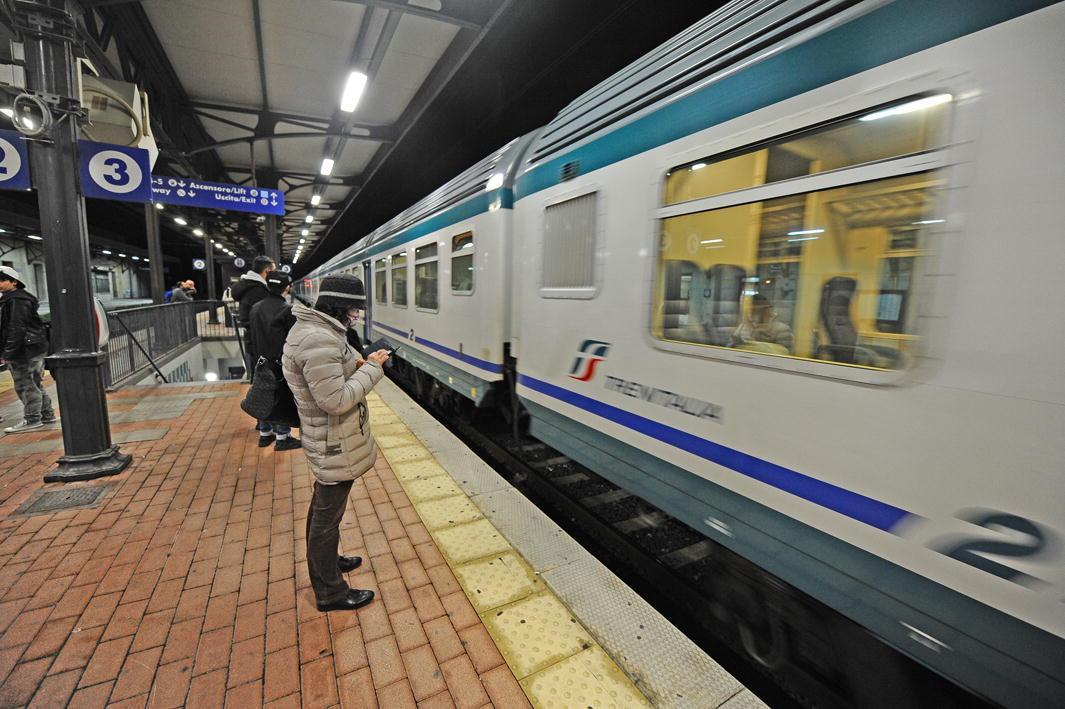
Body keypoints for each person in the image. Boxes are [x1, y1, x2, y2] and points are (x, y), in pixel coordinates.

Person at [282, 273, 391, 612]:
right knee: (326, 518)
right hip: (332, 440)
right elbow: (335, 400)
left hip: (329, 436)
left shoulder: (320, 331)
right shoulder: (319, 339)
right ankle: (330, 592)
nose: (356, 316)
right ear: (340, 306)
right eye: (354, 310)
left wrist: (355, 364)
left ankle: (329, 563)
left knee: (324, 511)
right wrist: (372, 369)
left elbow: (329, 376)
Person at [248, 271, 300, 451]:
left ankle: (264, 434)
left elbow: (250, 337)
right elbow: (293, 340)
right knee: (282, 398)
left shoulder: (255, 308)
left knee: (264, 397)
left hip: (260, 361)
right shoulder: (287, 310)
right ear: (286, 288)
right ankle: (282, 438)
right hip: (280, 362)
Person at [0, 266, 55, 432]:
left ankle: (32, 420)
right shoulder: (14, 298)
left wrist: (8, 353)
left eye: (2, 280)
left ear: (14, 282)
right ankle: (47, 415)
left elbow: (17, 328)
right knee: (34, 383)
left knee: (25, 385)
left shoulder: (16, 300)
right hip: (31, 347)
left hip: (24, 349)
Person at [232, 256, 276, 378]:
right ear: (267, 270)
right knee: (262, 377)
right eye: (274, 271)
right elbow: (264, 316)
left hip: (252, 338)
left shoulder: (249, 285)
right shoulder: (257, 290)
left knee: (257, 374)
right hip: (258, 339)